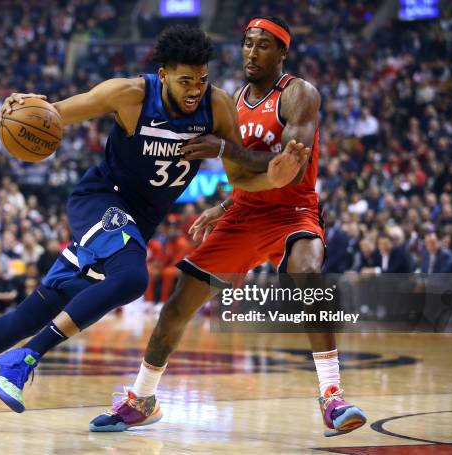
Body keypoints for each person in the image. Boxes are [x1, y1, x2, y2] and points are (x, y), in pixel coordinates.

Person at [0, 25, 310, 433]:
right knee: (133, 276)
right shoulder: (130, 94)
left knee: (38, 309)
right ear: (164, 74)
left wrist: (274, 180)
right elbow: (55, 113)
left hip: (134, 224)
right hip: (100, 200)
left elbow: (241, 177)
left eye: (201, 78)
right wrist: (17, 107)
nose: (194, 89)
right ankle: (21, 361)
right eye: (185, 79)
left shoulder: (217, 107)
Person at [89, 17, 366, 437]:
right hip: (243, 213)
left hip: (292, 211)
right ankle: (142, 399)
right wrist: (224, 203)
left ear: (282, 53)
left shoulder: (298, 94)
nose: (252, 53)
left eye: (263, 46)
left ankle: (332, 396)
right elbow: (242, 168)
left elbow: (285, 168)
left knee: (308, 275)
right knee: (178, 305)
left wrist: (223, 148)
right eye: (247, 44)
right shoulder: (233, 100)